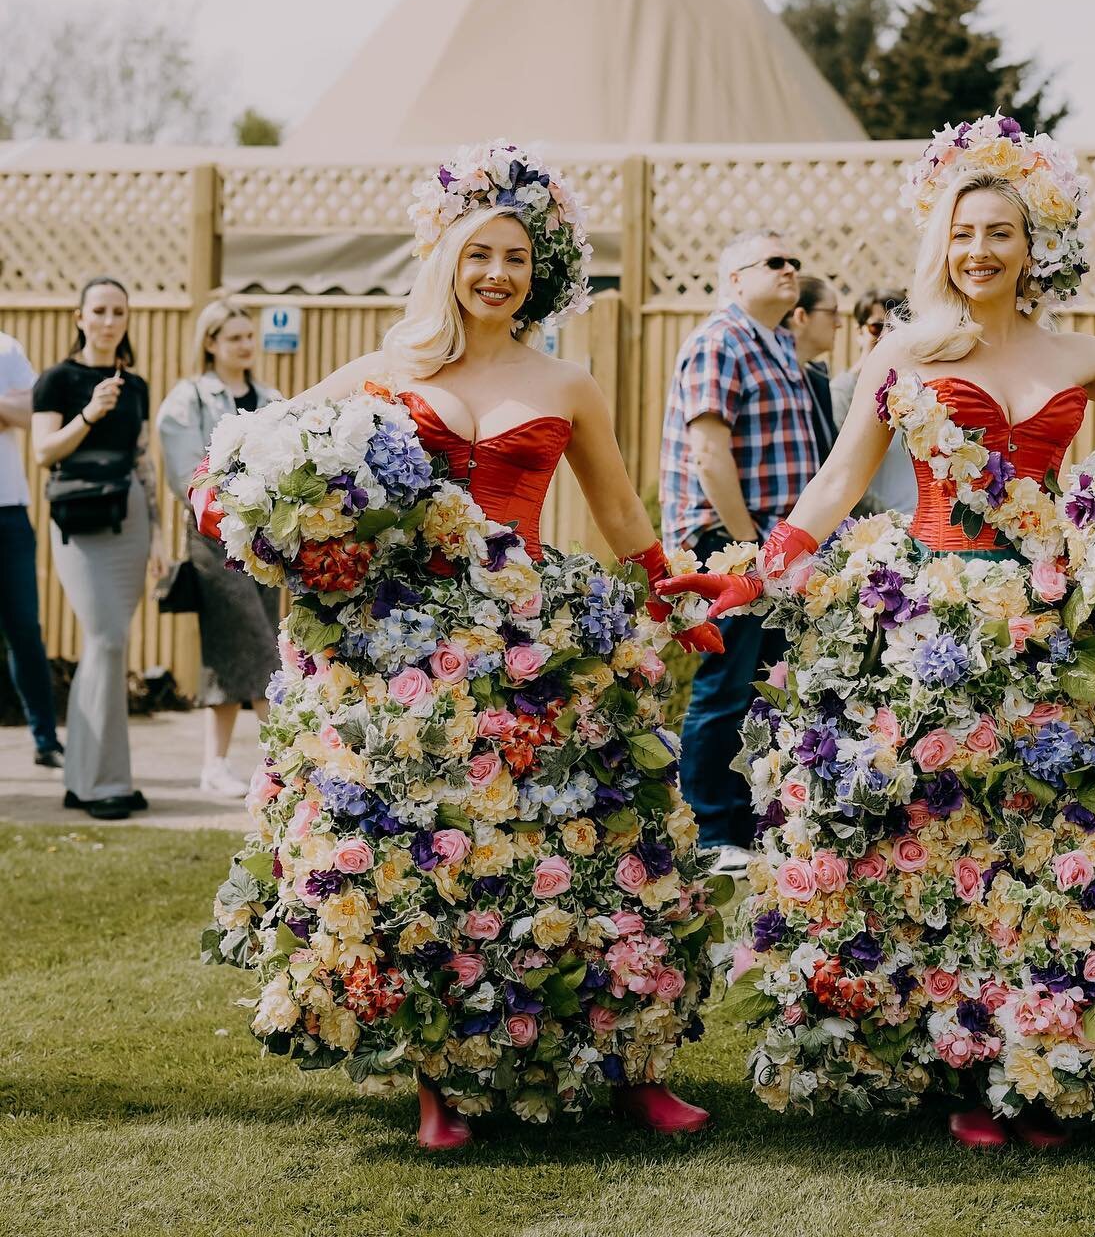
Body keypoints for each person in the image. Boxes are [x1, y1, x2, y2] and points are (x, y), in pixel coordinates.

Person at [659, 115, 1095, 1147]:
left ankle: (1041, 1065)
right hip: (926, 622)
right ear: (941, 243)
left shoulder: (1080, 352)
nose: (980, 251)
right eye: (964, 233)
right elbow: (837, 482)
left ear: (1033, 244)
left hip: (1055, 627)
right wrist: (759, 571)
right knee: (938, 844)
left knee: (1048, 847)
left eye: (1000, 232)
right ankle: (951, 1071)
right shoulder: (905, 350)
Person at [197, 142, 722, 1147]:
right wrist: (230, 498)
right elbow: (263, 451)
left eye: (516, 257)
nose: (497, 273)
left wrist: (673, 589)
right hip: (405, 652)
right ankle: (440, 1083)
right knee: (427, 863)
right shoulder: (387, 373)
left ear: (541, 271)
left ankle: (632, 1069)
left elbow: (616, 510)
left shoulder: (570, 382)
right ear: (444, 257)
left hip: (536, 639)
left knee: (604, 847)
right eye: (480, 253)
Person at [659, 230, 819, 873]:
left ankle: (754, 823)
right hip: (727, 543)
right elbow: (708, 454)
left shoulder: (778, 344)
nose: (791, 270)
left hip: (775, 548)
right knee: (727, 687)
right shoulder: (719, 341)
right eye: (774, 262)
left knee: (768, 686)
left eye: (795, 262)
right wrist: (744, 547)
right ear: (733, 280)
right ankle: (710, 830)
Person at [31, 278, 166, 821]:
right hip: (79, 522)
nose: (109, 320)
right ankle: (105, 782)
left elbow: (142, 463)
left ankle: (86, 779)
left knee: (104, 646)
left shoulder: (135, 386)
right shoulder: (57, 381)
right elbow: (44, 452)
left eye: (119, 312)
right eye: (100, 311)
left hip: (129, 518)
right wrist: (88, 412)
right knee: (107, 641)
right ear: (80, 317)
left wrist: (157, 535)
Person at [156, 298, 283, 798]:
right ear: (210, 343)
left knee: (235, 650)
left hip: (265, 539)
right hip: (212, 538)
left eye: (249, 336)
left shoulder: (270, 396)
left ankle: (215, 764)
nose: (245, 345)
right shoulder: (187, 399)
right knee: (254, 643)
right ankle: (284, 758)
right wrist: (232, 502)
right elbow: (186, 473)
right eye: (233, 337)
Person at [0, 329, 63, 768]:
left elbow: (34, 411)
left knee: (25, 629)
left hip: (8, 511)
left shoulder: (5, 348)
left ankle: (46, 741)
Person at [830, 287, 916, 517]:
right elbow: (841, 472)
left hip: (924, 526)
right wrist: (887, 520)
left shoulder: (919, 388)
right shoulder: (844, 391)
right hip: (877, 528)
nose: (887, 336)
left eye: (898, 326)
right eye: (876, 327)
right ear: (858, 332)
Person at [783, 273, 840, 461]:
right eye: (832, 313)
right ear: (801, 316)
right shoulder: (774, 382)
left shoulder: (817, 380)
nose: (839, 323)